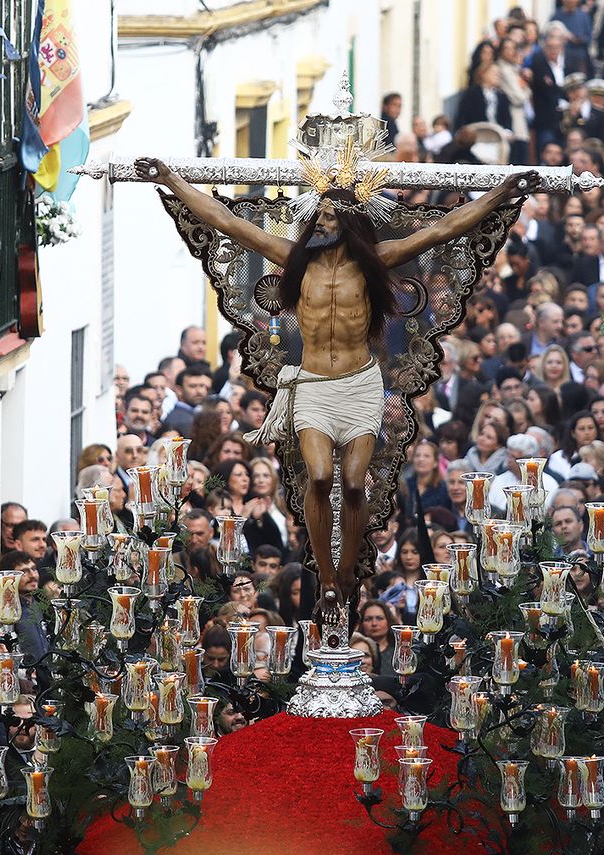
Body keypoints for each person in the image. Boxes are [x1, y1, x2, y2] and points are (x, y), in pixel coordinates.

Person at [135, 158, 537, 609]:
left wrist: (501, 193)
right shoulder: (295, 259)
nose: (320, 222)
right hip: (312, 386)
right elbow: (227, 222)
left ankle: (347, 569)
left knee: (353, 483)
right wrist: (170, 179)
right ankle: (326, 573)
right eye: (319, 215)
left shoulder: (373, 262)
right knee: (321, 476)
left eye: (328, 217)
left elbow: (441, 230)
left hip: (359, 385)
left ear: (348, 224)